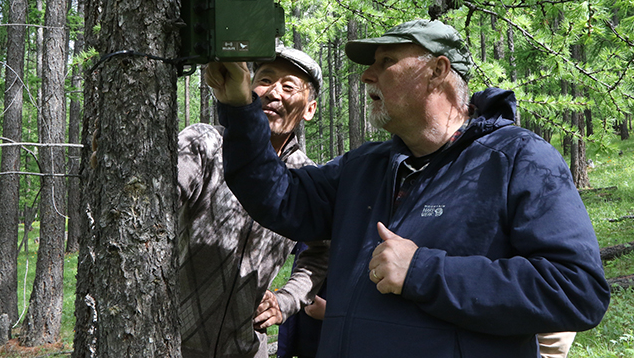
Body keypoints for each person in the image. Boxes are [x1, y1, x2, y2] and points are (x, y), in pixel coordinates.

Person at [206, 19, 610, 358]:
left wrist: (423, 271)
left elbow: (576, 290)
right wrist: (241, 110)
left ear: (436, 70)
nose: (367, 75)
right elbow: (278, 197)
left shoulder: (518, 158)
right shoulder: (365, 166)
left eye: (386, 62)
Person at [177, 45, 329, 358]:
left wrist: (286, 300)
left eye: (289, 86)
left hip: (246, 348)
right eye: (265, 80)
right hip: (169, 342)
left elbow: (320, 252)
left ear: (310, 109)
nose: (274, 93)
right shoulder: (204, 144)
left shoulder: (306, 178)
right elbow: (153, 202)